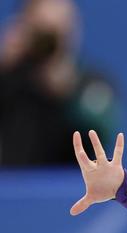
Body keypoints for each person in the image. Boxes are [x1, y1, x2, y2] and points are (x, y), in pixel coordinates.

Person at [0, 0, 118, 166]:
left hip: (67, 188)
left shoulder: (89, 83)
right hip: (11, 186)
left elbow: (102, 129)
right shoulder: (9, 77)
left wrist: (68, 92)